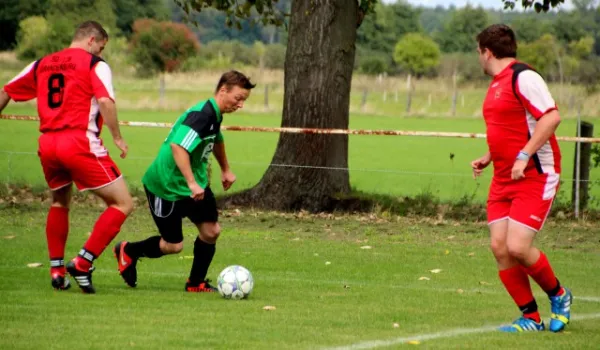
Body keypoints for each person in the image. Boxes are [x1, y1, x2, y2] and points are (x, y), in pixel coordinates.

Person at [0, 21, 133, 294]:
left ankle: (57, 271)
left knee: (60, 202)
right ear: (92, 39)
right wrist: (117, 137)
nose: (100, 52)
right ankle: (83, 262)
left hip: (48, 144)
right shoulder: (94, 64)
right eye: (101, 47)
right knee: (122, 203)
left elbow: (6, 91)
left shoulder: (41, 64)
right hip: (78, 142)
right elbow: (106, 101)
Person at [113, 70, 254, 292]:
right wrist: (191, 183)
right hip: (166, 186)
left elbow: (216, 139)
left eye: (244, 100)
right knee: (173, 245)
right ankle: (128, 250)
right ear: (223, 90)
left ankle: (195, 283)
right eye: (238, 98)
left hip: (193, 183)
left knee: (211, 231)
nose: (240, 105)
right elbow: (178, 146)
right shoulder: (201, 116)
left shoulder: (214, 115)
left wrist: (225, 169)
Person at [471, 24, 572, 333]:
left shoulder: (523, 77)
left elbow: (551, 117)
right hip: (503, 177)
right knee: (500, 248)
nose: (478, 59)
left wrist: (525, 154)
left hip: (535, 175)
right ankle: (530, 317)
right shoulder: (496, 84)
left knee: (517, 246)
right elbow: (508, 128)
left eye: (478, 53)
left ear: (487, 52)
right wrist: (489, 156)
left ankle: (559, 295)